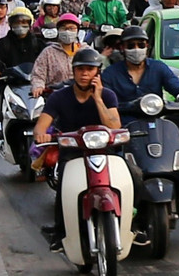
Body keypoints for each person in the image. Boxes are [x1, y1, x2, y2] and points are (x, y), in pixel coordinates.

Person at [101, 26, 179, 216]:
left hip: (156, 123)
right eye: (131, 45)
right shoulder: (111, 74)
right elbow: (105, 98)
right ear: (122, 48)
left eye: (141, 44)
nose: (136, 49)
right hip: (125, 126)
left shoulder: (158, 67)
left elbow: (176, 86)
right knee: (113, 155)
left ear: (147, 46)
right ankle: (119, 199)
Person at [33, 49, 121, 252]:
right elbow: (41, 125)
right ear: (73, 72)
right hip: (72, 153)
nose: (84, 74)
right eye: (80, 69)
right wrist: (42, 134)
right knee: (65, 185)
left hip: (105, 153)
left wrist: (98, 99)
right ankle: (60, 231)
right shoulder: (59, 97)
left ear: (98, 73)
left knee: (132, 175)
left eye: (90, 69)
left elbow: (114, 126)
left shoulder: (107, 95)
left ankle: (133, 222)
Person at [31, 13, 89, 97]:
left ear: (77, 30)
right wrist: (38, 86)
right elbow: (38, 74)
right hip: (55, 96)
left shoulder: (85, 50)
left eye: (71, 28)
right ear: (58, 30)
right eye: (63, 28)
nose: (67, 31)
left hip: (82, 95)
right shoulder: (48, 52)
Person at [0, 7, 46, 78]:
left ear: (30, 24)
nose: (20, 25)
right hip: (9, 83)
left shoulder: (38, 43)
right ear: (11, 24)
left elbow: (47, 62)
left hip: (35, 83)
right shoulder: (3, 43)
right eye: (17, 22)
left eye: (24, 22)